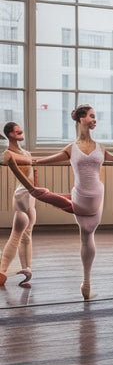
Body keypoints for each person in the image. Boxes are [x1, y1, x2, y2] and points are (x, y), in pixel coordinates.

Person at [4, 104, 113, 300]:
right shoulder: (71, 149)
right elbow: (39, 161)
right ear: (81, 119)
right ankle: (86, 283)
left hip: (88, 200)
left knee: (57, 201)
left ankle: (41, 194)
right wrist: (10, 155)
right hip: (89, 199)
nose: (94, 119)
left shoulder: (99, 148)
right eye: (91, 116)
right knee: (86, 235)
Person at [0, 123, 35, 288]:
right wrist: (32, 189)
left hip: (30, 196)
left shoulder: (26, 152)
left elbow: (30, 167)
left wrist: (34, 190)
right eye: (17, 131)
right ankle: (2, 270)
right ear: (10, 134)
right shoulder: (8, 154)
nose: (21, 132)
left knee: (27, 235)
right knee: (17, 235)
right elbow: (20, 175)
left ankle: (26, 269)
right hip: (23, 194)